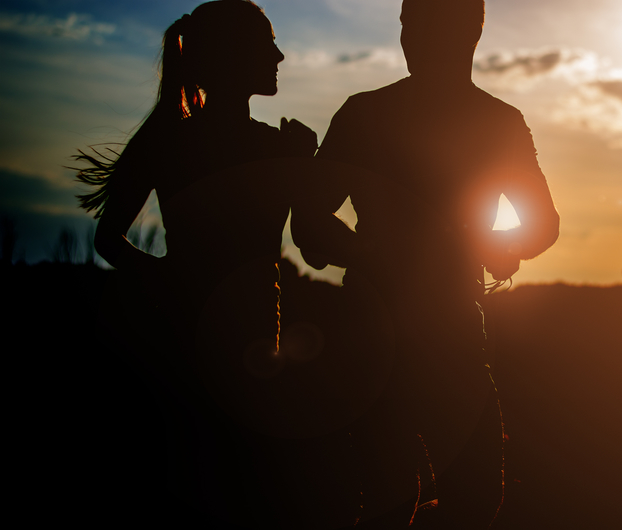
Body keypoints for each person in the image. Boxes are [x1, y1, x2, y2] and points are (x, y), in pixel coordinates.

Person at [292, 0, 560, 527]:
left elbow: (543, 225)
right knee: (419, 490)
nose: (408, 40)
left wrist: (486, 244)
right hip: (395, 327)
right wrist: (491, 246)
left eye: (418, 27)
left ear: (470, 34)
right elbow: (309, 220)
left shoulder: (372, 112)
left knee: (451, 490)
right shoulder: (491, 120)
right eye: (404, 27)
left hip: (432, 327)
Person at [74, 1, 324, 527]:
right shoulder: (224, 142)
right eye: (266, 45)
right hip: (215, 350)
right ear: (235, 57)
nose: (279, 55)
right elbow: (109, 238)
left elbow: (108, 240)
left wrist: (304, 165)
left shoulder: (182, 139)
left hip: (243, 347)